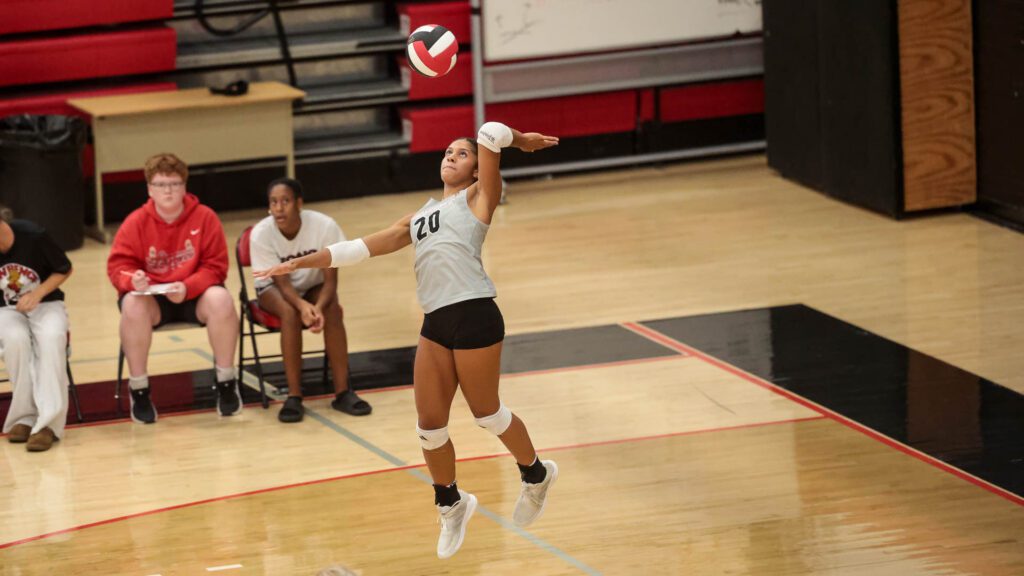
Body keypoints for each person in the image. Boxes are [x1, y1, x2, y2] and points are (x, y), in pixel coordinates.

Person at [255, 122, 559, 558]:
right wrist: (298, 262)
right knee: (429, 426)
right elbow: (360, 248)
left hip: (474, 313)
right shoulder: (421, 215)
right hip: (435, 321)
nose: (451, 156)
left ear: (477, 171)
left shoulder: (479, 198)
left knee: (487, 413)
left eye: (462, 153)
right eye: (448, 151)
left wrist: (520, 140)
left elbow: (491, 131)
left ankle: (535, 474)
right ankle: (451, 503)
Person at [107, 153, 242, 424]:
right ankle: (139, 388)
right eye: (160, 184)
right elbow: (117, 266)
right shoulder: (135, 222)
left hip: (193, 294)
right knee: (132, 303)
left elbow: (216, 266)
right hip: (153, 299)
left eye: (174, 184)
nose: (168, 190)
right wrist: (133, 279)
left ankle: (227, 382)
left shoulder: (205, 218)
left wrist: (189, 287)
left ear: (184, 186)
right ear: (149, 189)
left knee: (221, 299)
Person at [249, 177, 372, 423]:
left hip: (315, 285)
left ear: (299, 203)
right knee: (290, 313)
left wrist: (317, 308)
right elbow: (283, 285)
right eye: (273, 202)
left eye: (285, 201)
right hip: (273, 288)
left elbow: (330, 282)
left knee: (333, 310)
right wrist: (304, 307)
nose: (278, 208)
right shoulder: (261, 234)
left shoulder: (324, 226)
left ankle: (343, 392)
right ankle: (294, 396)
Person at [0, 203, 72, 451]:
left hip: (46, 302)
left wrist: (38, 293)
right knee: (14, 339)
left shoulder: (34, 235)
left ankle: (48, 425)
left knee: (52, 338)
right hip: (6, 308)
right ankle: (24, 417)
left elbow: (64, 268)